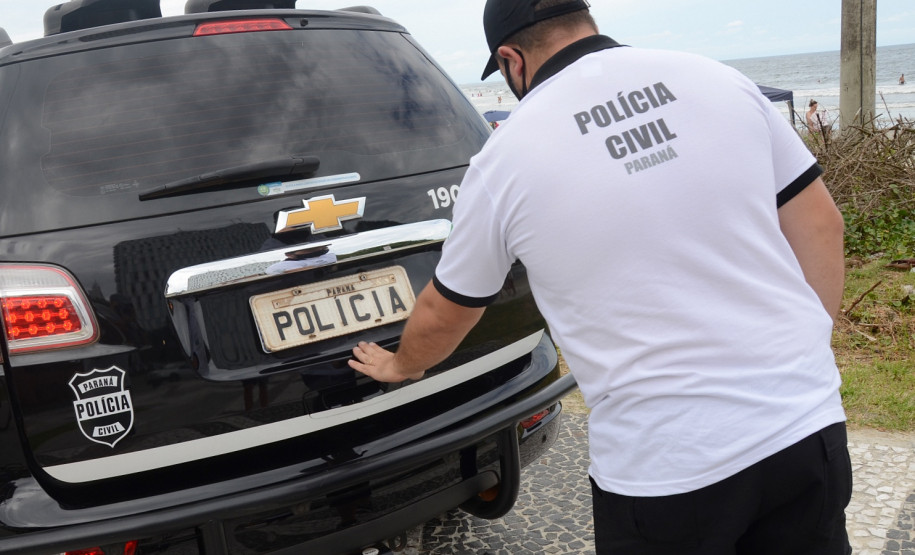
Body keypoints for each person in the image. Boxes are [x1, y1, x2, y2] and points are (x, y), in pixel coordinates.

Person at [349, 0, 850, 553]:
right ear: (585, 21)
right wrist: (803, 355)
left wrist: (401, 364)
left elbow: (448, 309)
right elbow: (822, 226)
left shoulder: (504, 158)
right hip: (805, 426)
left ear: (512, 59)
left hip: (667, 468)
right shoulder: (715, 78)